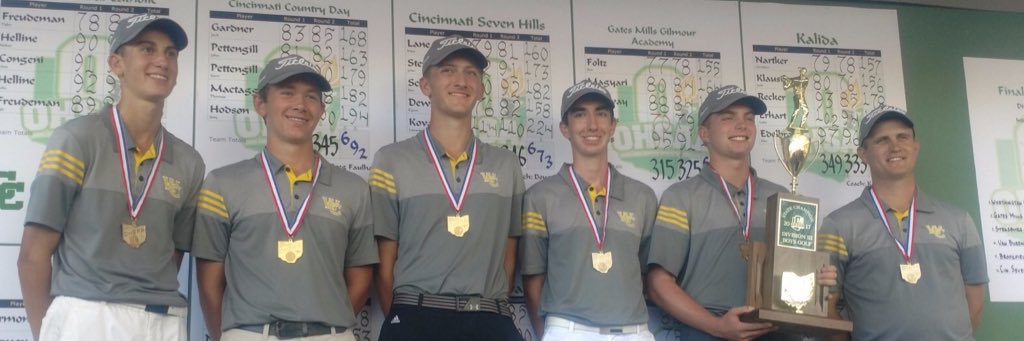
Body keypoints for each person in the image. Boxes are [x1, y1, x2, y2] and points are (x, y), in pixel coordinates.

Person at [17, 13, 201, 341]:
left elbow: (170, 256)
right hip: (88, 316)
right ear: (116, 63)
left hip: (163, 321)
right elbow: (33, 254)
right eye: (147, 49)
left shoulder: (189, 161)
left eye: (170, 53)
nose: (162, 60)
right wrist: (45, 332)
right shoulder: (77, 139)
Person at [192, 55, 377, 341]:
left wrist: (325, 328)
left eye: (311, 96)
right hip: (250, 334)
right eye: (287, 92)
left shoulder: (353, 188)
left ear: (321, 108)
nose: (300, 105)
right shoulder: (222, 184)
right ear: (260, 104)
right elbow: (209, 283)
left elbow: (361, 276)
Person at [646, 85, 836, 341]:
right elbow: (658, 284)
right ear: (704, 133)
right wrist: (716, 326)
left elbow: (798, 273)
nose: (742, 125)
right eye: (728, 117)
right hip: (707, 331)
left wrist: (816, 279)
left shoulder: (784, 198)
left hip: (777, 330)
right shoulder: (681, 197)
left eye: (749, 118)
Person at [369, 35, 525, 340]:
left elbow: (508, 258)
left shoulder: (506, 165)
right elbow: (384, 263)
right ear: (426, 86)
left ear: (481, 89)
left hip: (489, 319)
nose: (461, 80)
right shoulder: (391, 160)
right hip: (417, 318)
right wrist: (406, 319)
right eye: (448, 70)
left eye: (471, 73)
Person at [818, 105, 987, 340]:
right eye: (882, 140)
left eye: (903, 137)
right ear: (863, 154)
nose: (895, 146)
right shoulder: (838, 225)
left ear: (915, 147)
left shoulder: (959, 220)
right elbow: (825, 309)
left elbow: (975, 302)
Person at [519, 80, 657, 340]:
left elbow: (646, 273)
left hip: (633, 332)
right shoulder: (540, 196)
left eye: (601, 114)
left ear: (613, 126)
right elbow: (533, 278)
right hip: (568, 330)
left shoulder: (643, 197)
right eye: (580, 114)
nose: (592, 124)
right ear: (565, 128)